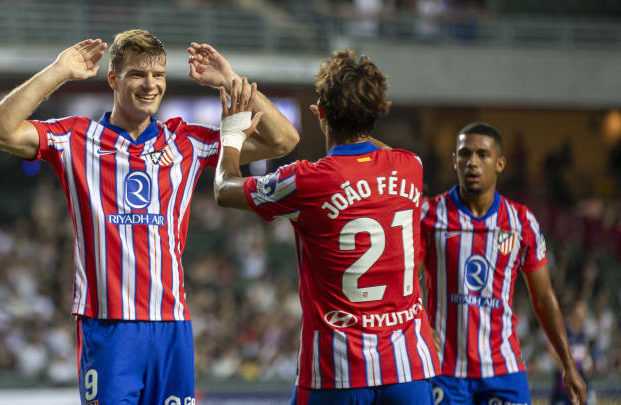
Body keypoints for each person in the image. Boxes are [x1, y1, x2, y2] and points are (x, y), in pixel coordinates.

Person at [0, 30, 298, 405]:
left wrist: (231, 79)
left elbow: (284, 140)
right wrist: (58, 71)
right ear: (113, 80)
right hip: (109, 327)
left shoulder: (186, 141)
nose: (150, 85)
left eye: (158, 75)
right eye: (138, 75)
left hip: (172, 327)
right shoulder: (76, 138)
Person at [213, 50, 440, 405]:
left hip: (336, 372)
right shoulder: (411, 167)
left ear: (320, 112)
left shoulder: (306, 180)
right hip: (409, 368)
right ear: (377, 110)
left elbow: (224, 189)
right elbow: (379, 151)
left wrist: (232, 133)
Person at [419, 122, 587, 405]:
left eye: (482, 155)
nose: (472, 162)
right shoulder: (428, 214)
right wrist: (420, 322)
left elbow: (544, 298)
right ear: (454, 161)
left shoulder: (521, 222)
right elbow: (404, 280)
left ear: (500, 164)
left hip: (503, 371)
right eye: (464, 154)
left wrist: (568, 365)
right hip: (443, 370)